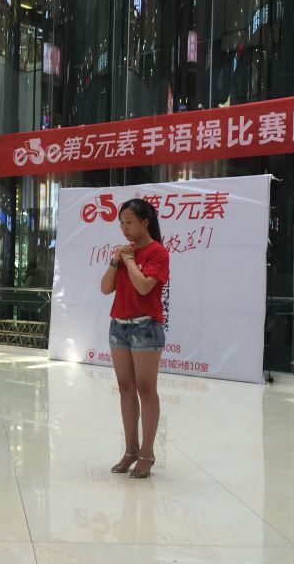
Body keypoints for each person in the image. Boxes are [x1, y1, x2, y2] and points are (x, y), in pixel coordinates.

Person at [100, 199, 169, 479]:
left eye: (129, 222)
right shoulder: (123, 254)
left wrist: (128, 260)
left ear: (145, 222)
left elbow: (143, 287)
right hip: (118, 326)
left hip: (145, 327)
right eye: (121, 222)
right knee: (125, 388)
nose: (124, 228)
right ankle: (130, 449)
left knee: (146, 389)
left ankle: (147, 453)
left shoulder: (158, 252)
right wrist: (115, 260)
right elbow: (105, 288)